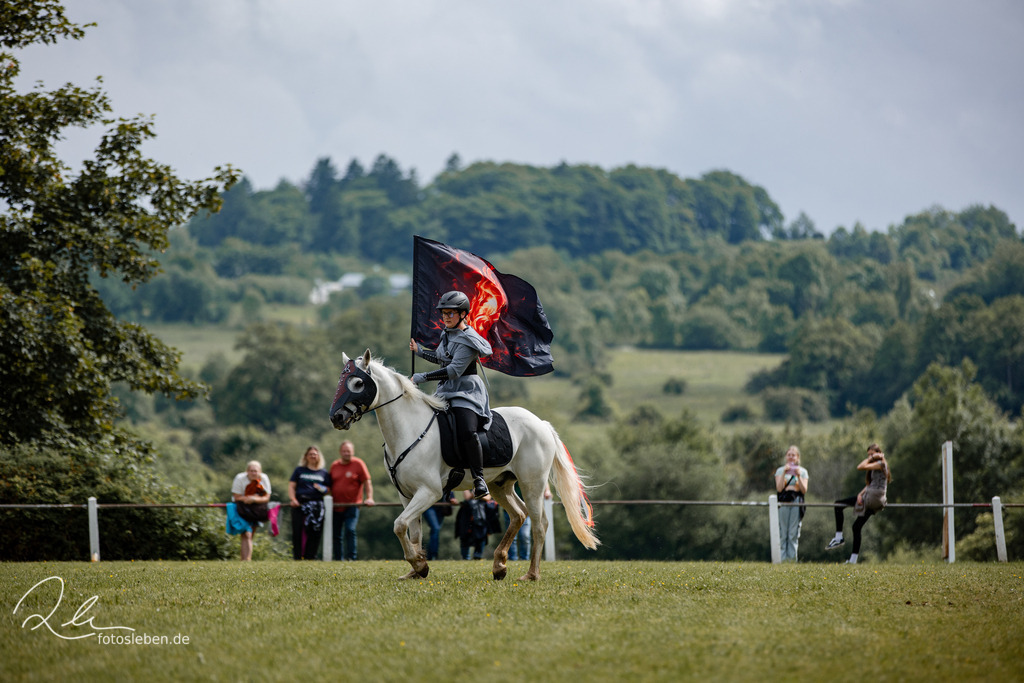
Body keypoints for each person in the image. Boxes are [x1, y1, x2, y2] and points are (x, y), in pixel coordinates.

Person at [410, 290, 493, 499]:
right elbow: (442, 360)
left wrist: (421, 377)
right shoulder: (446, 334)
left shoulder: (467, 340)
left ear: (463, 314)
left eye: (451, 313)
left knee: (467, 431)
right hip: (446, 390)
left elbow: (453, 370)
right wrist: (420, 351)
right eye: (444, 313)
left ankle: (478, 478)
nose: (446, 317)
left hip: (466, 391)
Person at [826, 443, 891, 564]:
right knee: (856, 527)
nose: (870, 457)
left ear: (878, 453)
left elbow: (860, 467)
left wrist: (871, 458)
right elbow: (869, 485)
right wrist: (860, 495)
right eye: (868, 455)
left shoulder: (880, 464)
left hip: (873, 498)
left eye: (872, 454)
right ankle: (853, 560)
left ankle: (838, 537)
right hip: (876, 499)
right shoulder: (877, 466)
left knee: (838, 504)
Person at [328, 440, 375, 561]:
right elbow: (329, 484)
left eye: (348, 451)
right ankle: (338, 558)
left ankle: (351, 558)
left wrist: (369, 498)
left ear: (352, 452)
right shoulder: (334, 465)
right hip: (336, 506)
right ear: (340, 452)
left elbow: (367, 481)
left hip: (353, 505)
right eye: (344, 451)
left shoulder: (358, 464)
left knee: (350, 530)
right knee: (336, 534)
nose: (346, 453)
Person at [288, 446, 331, 560]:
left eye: (315, 454)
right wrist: (293, 499)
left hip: (317, 505)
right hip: (300, 504)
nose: (313, 456)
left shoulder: (323, 472)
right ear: (306, 456)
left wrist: (321, 488)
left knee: (314, 532)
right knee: (298, 531)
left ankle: (310, 556)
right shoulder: (299, 470)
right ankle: (297, 557)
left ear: (318, 457)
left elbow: (328, 490)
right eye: (310, 454)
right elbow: (292, 486)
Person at [231, 461, 272, 561]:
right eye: (251, 471)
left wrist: (254, 499)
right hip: (241, 507)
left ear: (260, 472)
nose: (253, 473)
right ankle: (246, 560)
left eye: (255, 471)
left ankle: (245, 559)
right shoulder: (240, 478)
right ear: (247, 471)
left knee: (250, 533)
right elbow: (236, 496)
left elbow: (267, 497)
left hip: (257, 508)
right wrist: (247, 499)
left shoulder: (264, 478)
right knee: (246, 533)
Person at [774, 445, 809, 562]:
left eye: (793, 455)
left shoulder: (803, 471)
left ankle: (792, 560)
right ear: (786, 456)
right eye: (789, 455)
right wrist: (784, 473)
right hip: (784, 501)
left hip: (796, 501)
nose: (791, 457)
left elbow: (803, 490)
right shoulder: (780, 470)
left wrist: (798, 475)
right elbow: (779, 488)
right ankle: (782, 559)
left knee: (793, 532)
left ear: (797, 457)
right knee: (783, 531)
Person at [504, 482, 552, 561]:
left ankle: (524, 559)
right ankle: (512, 558)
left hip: (526, 508)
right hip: (510, 507)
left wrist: (547, 490)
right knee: (511, 536)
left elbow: (542, 477)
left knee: (524, 535)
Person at [455, 490, 501, 560]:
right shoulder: (467, 486)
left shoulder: (485, 485)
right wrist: (479, 494)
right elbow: (467, 497)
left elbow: (488, 497)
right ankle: (465, 557)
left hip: (481, 514)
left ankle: (478, 556)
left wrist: (475, 494)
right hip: (467, 514)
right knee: (465, 535)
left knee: (481, 536)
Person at [422, 491, 457, 560]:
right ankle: (433, 555)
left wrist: (452, 499)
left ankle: (430, 556)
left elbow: (449, 489)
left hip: (441, 507)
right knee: (436, 529)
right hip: (429, 506)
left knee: (435, 531)